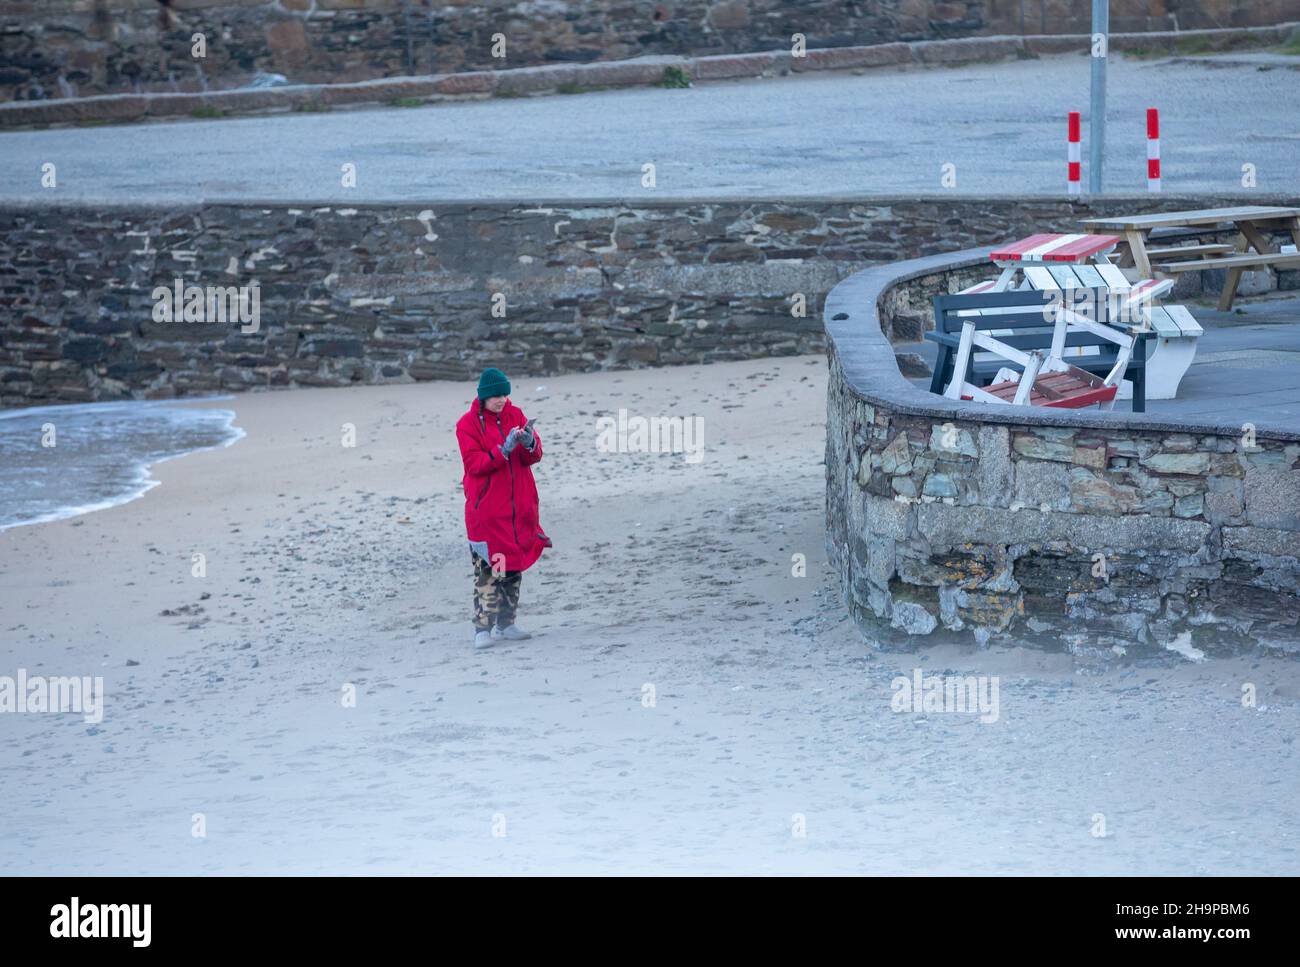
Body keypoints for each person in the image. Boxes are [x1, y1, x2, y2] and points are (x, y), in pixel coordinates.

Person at [455, 367, 550, 648]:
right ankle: (482, 629)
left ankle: (506, 624)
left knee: (512, 567)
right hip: (486, 512)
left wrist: (529, 442)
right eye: (496, 396)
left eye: (504, 395)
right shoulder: (467, 425)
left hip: (517, 508)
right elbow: (474, 465)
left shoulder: (516, 414)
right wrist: (503, 450)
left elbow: (534, 457)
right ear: (483, 397)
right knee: (488, 569)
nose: (501, 400)